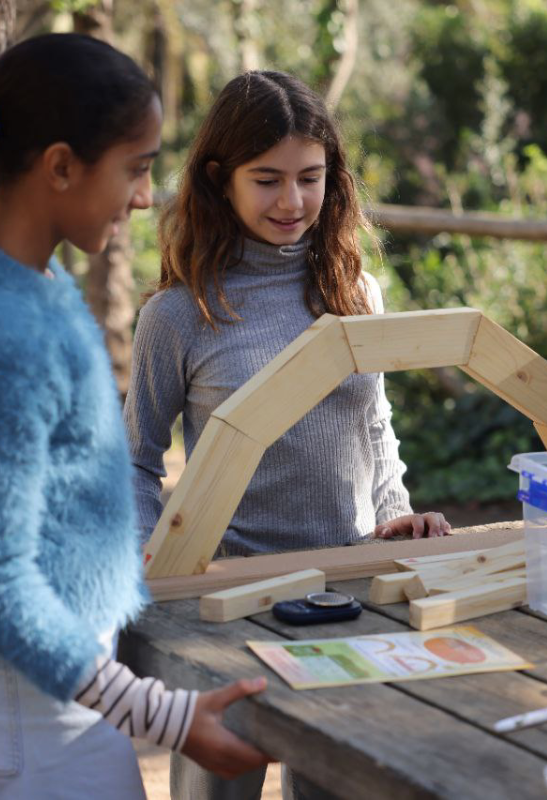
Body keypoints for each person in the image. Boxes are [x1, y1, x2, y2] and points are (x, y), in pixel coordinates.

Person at [123, 70, 451, 798]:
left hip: (350, 592)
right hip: (228, 600)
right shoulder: (177, 315)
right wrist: (159, 570)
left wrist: (395, 516)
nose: (292, 202)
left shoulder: (356, 292)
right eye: (267, 180)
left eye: (310, 178)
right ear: (220, 179)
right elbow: (136, 460)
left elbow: (373, 423)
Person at [0, 34, 273, 800]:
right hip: (33, 724)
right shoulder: (13, 335)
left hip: (60, 700)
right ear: (61, 166)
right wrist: (165, 716)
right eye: (137, 167)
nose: (147, 196)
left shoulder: (37, 288)